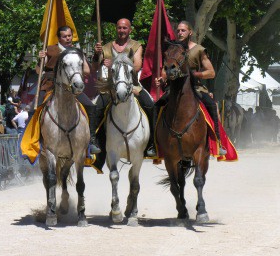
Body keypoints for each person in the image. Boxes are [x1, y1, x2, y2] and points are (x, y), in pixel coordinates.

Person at [152, 20, 227, 155]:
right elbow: (165, 69)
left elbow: (211, 72)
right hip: (173, 88)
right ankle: (153, 144)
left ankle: (217, 141)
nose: (180, 33)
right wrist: (162, 78)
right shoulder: (172, 49)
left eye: (183, 30)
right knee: (157, 106)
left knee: (211, 105)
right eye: (178, 30)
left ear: (190, 32)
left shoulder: (198, 49)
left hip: (195, 87)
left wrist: (195, 74)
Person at [91, 18, 155, 156]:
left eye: (125, 28)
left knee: (150, 104)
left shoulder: (136, 46)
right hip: (109, 86)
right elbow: (94, 67)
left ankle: (152, 143)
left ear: (129, 30)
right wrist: (97, 54)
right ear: (116, 29)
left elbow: (137, 65)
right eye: (119, 28)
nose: (122, 30)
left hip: (132, 85)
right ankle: (93, 140)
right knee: (97, 107)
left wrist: (114, 63)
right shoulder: (106, 47)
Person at [36, 25, 100, 153]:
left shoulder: (77, 51)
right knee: (36, 108)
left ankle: (91, 140)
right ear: (59, 38)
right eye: (65, 36)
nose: (68, 38)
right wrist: (41, 59)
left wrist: (77, 70)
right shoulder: (50, 50)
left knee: (90, 106)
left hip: (72, 87)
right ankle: (34, 141)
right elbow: (38, 71)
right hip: (51, 86)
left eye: (69, 36)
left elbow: (87, 70)